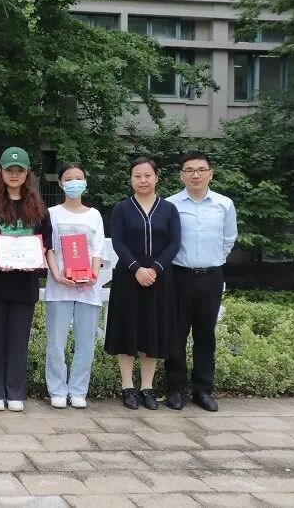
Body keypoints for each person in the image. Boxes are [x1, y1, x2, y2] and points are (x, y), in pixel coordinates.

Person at [0, 147, 50, 413]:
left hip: (24, 283)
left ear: (27, 173)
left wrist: (31, 257)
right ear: (0, 171)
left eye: (19, 170)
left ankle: (15, 391)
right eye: (9, 170)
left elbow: (45, 241)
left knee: (19, 339)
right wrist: (0, 254)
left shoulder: (37, 205)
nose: (14, 175)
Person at [104, 157, 181, 410]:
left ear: (157, 177)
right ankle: (127, 387)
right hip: (128, 275)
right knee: (128, 330)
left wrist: (155, 269)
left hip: (159, 276)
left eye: (147, 175)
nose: (143, 180)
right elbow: (118, 241)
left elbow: (174, 243)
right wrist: (136, 268)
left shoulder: (169, 209)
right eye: (137, 176)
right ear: (131, 179)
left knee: (153, 330)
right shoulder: (122, 208)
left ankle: (147, 387)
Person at [165, 150, 237, 412]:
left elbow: (229, 239)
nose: (195, 175)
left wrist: (212, 260)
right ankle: (175, 388)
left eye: (201, 170)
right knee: (176, 333)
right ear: (181, 175)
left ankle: (203, 390)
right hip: (179, 276)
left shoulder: (224, 204)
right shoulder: (170, 204)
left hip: (211, 277)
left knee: (205, 334)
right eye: (189, 170)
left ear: (210, 174)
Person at [43, 163, 105, 410]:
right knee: (56, 343)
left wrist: (93, 275)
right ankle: (57, 390)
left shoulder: (94, 215)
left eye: (79, 178)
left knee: (85, 343)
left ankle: (78, 390)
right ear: (60, 183)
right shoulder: (51, 213)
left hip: (88, 288)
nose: (74, 183)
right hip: (59, 287)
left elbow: (97, 250)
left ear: (85, 182)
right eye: (69, 179)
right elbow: (48, 248)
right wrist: (57, 275)